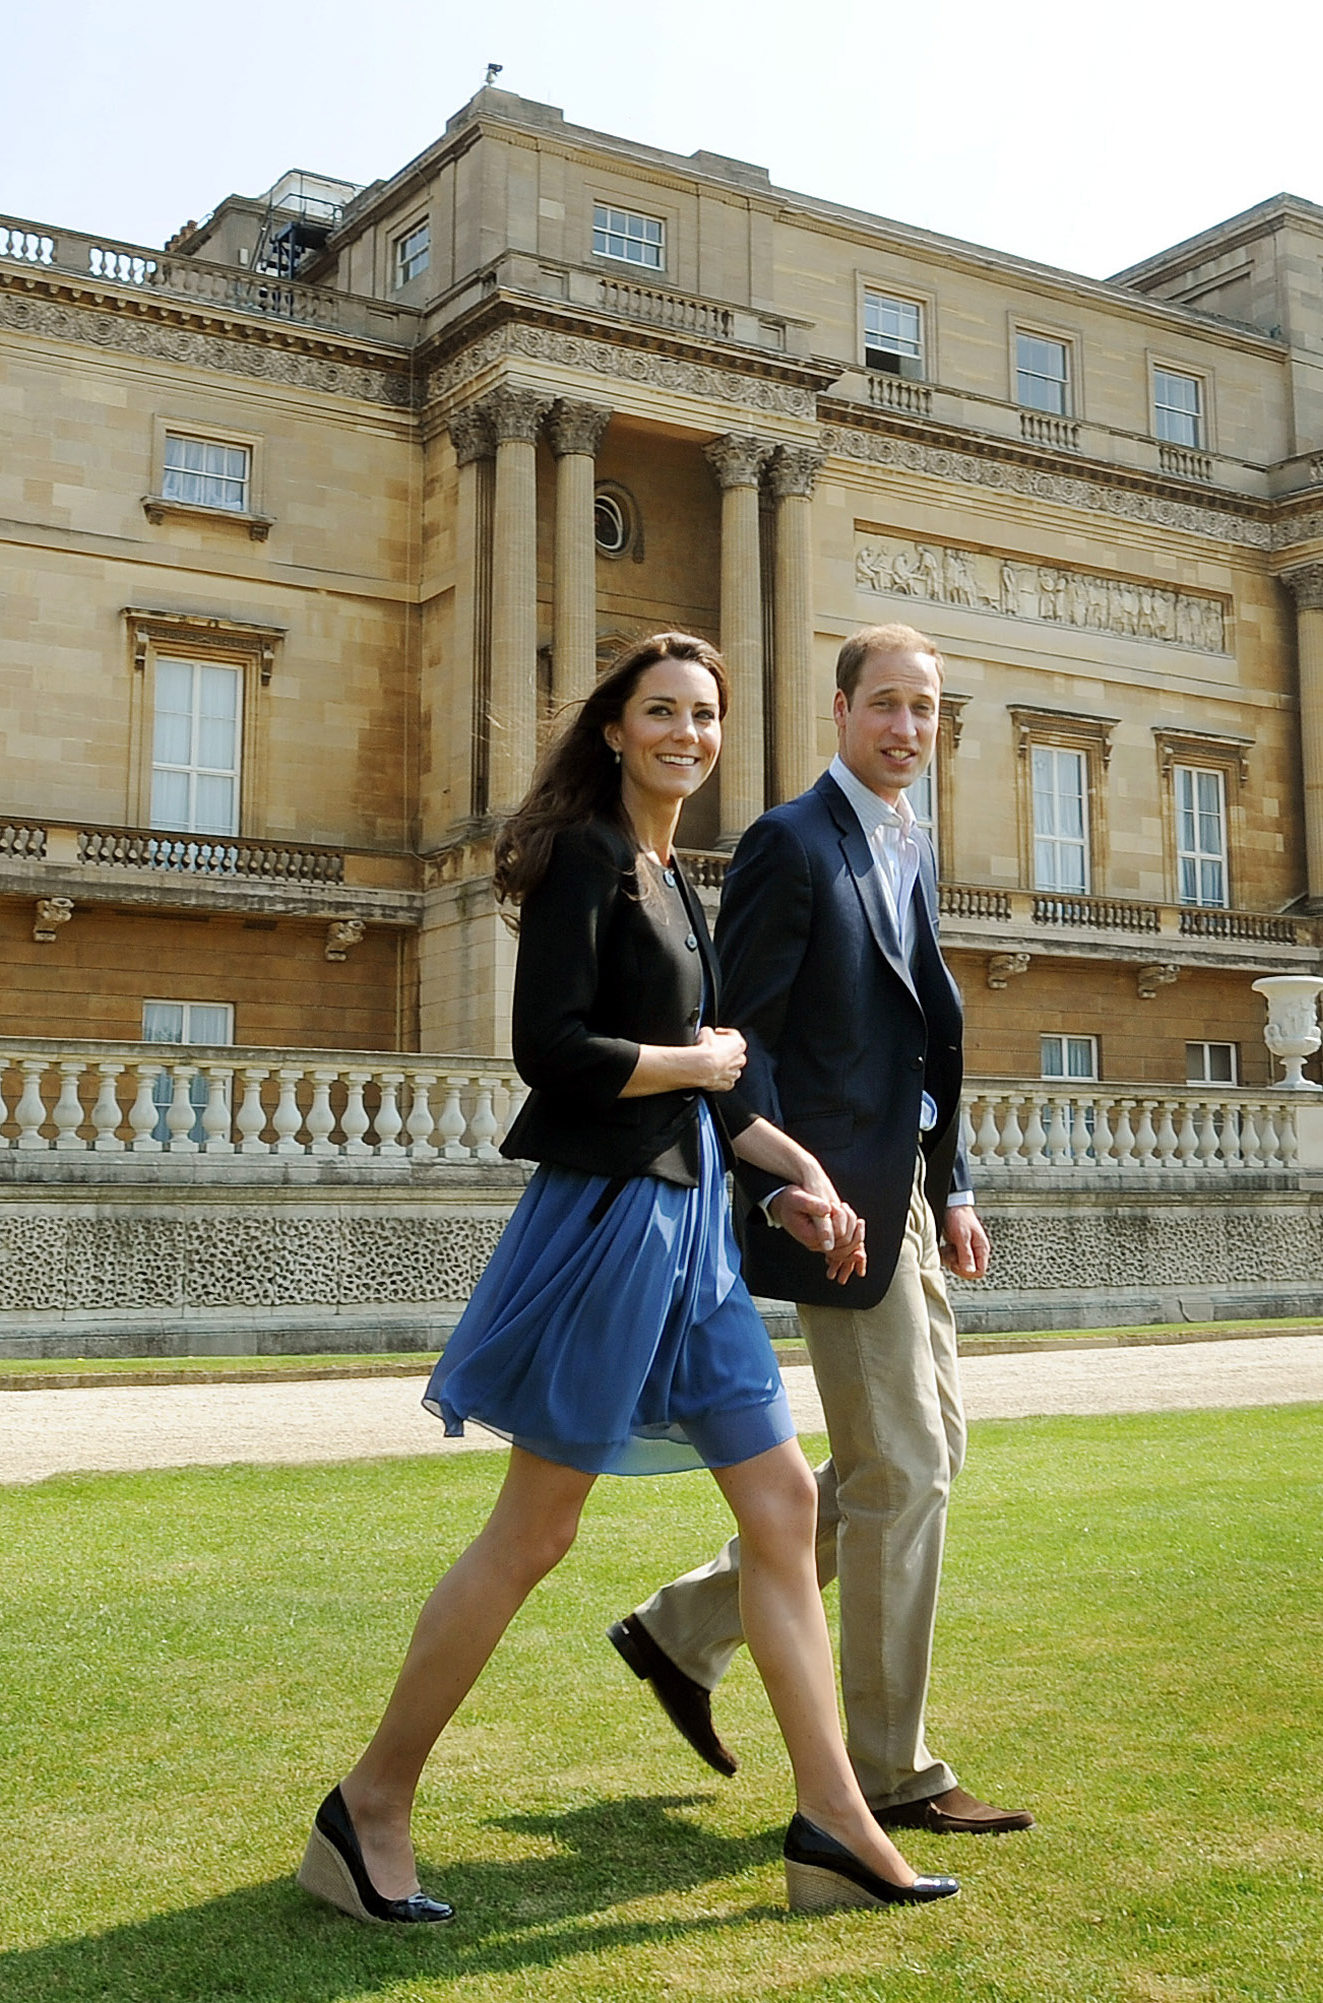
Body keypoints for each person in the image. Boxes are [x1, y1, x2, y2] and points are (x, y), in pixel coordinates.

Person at [299, 632, 959, 1925]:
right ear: (614, 727)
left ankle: (834, 1817)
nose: (688, 734)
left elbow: (715, 1080)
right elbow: (552, 1049)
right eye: (662, 712)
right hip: (609, 1224)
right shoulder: (589, 857)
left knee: (780, 1505)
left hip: (700, 1225)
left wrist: (793, 1174)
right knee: (536, 1529)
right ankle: (369, 1800)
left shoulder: (674, 871)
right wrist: (700, 1072)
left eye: (705, 715)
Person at [609, 622, 1032, 1839]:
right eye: (887, 705)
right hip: (832, 1204)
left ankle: (680, 1628)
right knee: (907, 1470)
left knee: (913, 1455)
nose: (908, 728)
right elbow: (747, 1040)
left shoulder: (910, 845)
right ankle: (892, 1771)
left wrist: (952, 1186)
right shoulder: (795, 843)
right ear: (841, 713)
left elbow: (922, 1041)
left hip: (903, 1190)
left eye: (926, 710)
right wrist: (788, 1179)